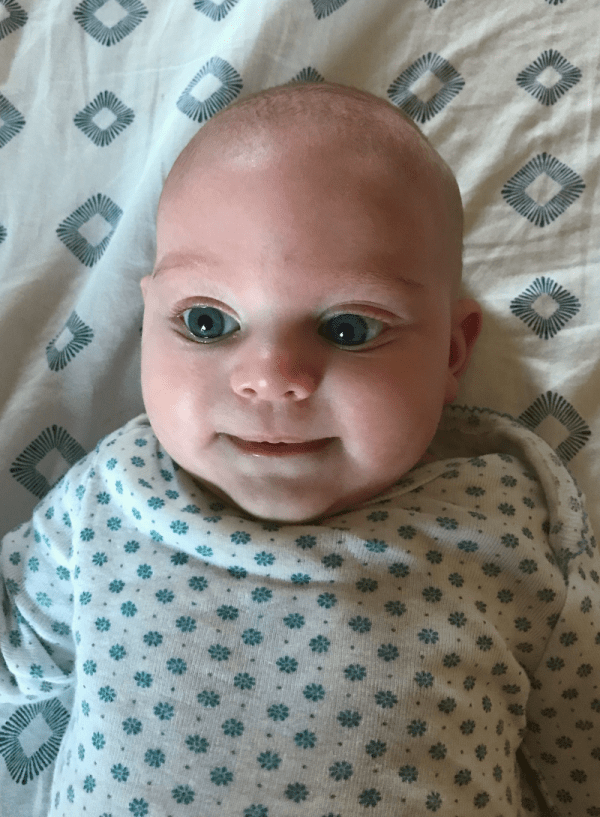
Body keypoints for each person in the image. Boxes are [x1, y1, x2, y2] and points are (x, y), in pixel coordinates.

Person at [1, 82, 597, 817]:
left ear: (451, 352)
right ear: (147, 319)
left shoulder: (504, 514)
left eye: (349, 328)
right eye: (208, 321)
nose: (271, 377)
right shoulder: (116, 493)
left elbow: (582, 741)